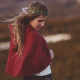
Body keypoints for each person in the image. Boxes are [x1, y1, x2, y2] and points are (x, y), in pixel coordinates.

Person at [3, 2, 54, 80]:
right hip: (42, 76)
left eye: (44, 21)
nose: (43, 24)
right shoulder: (33, 36)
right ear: (30, 18)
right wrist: (50, 56)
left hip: (28, 75)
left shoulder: (21, 32)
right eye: (40, 21)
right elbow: (39, 62)